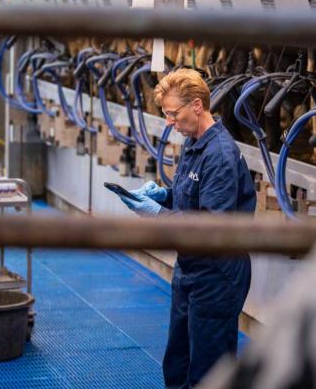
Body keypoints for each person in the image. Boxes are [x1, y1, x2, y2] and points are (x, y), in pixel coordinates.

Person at [119, 68, 256, 389]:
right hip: (190, 268)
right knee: (177, 363)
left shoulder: (219, 154)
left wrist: (156, 215)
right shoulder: (194, 143)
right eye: (166, 114)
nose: (169, 122)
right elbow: (190, 200)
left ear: (197, 105)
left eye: (172, 113)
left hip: (217, 274)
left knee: (208, 372)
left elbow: (210, 225)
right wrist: (163, 197)